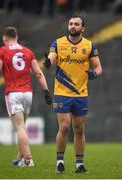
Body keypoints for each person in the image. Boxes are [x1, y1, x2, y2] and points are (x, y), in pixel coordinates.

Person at [0, 26, 52, 167]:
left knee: (19, 128)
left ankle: (28, 159)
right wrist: (46, 91)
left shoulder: (2, 51)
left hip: (13, 93)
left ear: (4, 38)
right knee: (22, 127)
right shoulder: (28, 52)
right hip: (28, 94)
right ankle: (20, 157)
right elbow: (38, 73)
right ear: (17, 37)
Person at [43, 16, 102, 173]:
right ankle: (60, 163)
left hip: (81, 94)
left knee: (79, 129)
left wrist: (94, 74)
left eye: (76, 24)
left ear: (83, 28)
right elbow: (51, 57)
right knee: (64, 126)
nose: (73, 26)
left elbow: (98, 67)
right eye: (71, 23)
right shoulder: (58, 43)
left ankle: (79, 165)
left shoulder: (89, 46)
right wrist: (48, 62)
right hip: (62, 93)